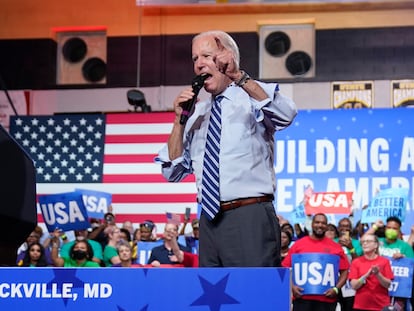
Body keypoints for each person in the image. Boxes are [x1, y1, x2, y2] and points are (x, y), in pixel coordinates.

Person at [156, 30, 297, 267]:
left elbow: (286, 115)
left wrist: (239, 77)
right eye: (195, 59)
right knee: (214, 300)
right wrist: (179, 120)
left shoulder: (252, 97)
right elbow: (172, 171)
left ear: (228, 57)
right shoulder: (197, 113)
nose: (199, 64)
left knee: (253, 298)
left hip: (249, 215)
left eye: (206, 56)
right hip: (208, 220)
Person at [282, 213, 349, 311]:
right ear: (312, 224)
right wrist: (292, 287)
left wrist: (336, 289)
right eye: (317, 222)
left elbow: (345, 271)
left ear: (326, 226)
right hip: (302, 299)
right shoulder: (298, 245)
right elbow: (285, 269)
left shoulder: (336, 247)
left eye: (323, 223)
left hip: (327, 301)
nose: (320, 225)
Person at [348, 234, 394, 311]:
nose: (365, 243)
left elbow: (388, 284)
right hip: (361, 306)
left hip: (381, 305)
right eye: (363, 242)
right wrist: (366, 275)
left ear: (376, 245)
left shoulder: (384, 261)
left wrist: (377, 274)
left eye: (368, 241)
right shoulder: (356, 262)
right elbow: (354, 286)